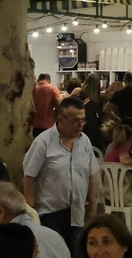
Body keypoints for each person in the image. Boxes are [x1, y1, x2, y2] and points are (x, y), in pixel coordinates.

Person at [21, 97, 101, 240]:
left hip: (77, 211)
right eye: (76, 121)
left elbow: (92, 175)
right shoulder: (43, 142)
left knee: (76, 255)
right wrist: (31, 212)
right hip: (49, 214)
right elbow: (29, 177)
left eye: (83, 120)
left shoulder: (84, 141)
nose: (80, 125)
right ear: (61, 119)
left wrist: (92, 207)